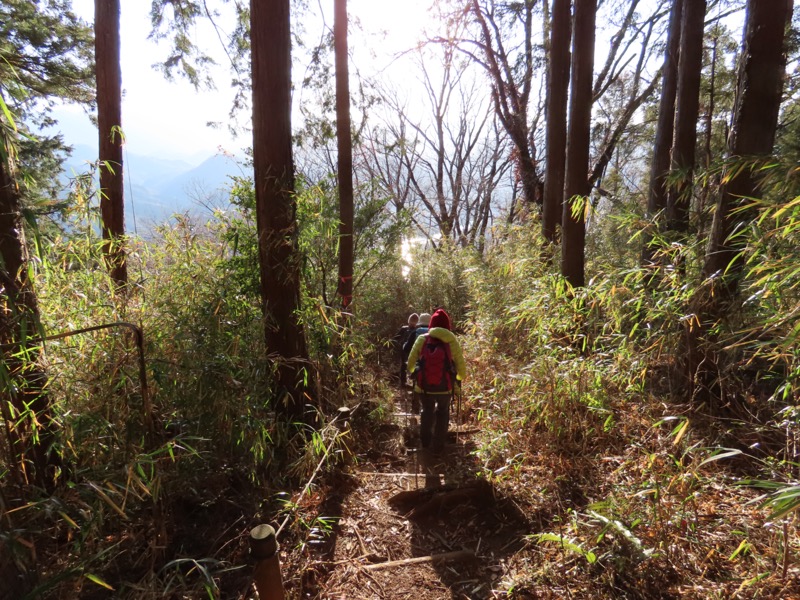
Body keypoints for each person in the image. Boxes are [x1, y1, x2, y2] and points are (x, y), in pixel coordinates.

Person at [407, 308, 466, 453]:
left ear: (431, 325)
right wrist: (456, 379)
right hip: (445, 387)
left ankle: (425, 442)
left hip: (424, 386)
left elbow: (410, 364)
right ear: (448, 325)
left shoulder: (422, 339)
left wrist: (416, 373)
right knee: (443, 412)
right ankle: (439, 445)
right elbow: (462, 370)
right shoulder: (452, 341)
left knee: (427, 410)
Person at [393, 313, 419, 386]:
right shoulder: (417, 330)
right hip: (413, 349)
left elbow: (396, 338)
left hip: (405, 349)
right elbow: (396, 338)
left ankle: (403, 382)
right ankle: (412, 382)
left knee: (404, 365)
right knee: (414, 365)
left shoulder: (404, 328)